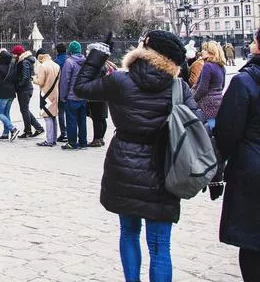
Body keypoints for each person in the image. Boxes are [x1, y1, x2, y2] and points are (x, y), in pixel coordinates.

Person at [75, 30, 203, 282]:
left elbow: (81, 88)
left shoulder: (121, 81)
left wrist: (98, 53)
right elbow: (197, 125)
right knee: (159, 246)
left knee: (129, 233)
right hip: (164, 168)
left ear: (145, 49)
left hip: (125, 164)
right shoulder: (178, 87)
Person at [216, 28, 260, 281]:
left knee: (253, 242)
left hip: (251, 169)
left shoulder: (245, 81)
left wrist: (219, 162)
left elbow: (228, 129)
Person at [59, 41, 88, 150]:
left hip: (71, 96)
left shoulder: (69, 62)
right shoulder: (85, 61)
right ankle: (83, 142)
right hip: (83, 96)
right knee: (82, 120)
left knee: (71, 120)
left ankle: (72, 142)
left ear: (70, 50)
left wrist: (63, 96)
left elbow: (65, 81)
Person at [12, 45, 43, 139]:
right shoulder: (24, 60)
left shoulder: (24, 61)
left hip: (24, 89)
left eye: (15, 54)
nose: (13, 55)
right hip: (26, 89)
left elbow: (25, 77)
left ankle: (28, 131)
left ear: (18, 54)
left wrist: (19, 85)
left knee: (24, 110)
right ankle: (38, 128)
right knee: (25, 110)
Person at [195, 40, 226, 130]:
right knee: (215, 128)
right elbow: (222, 86)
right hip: (219, 102)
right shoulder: (221, 67)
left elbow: (202, 88)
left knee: (208, 130)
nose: (202, 51)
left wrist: (192, 99)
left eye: (204, 49)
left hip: (207, 104)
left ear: (211, 52)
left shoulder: (207, 66)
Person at [34, 48, 60, 147]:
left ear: (40, 56)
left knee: (47, 116)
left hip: (45, 95)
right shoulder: (56, 65)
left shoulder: (43, 66)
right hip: (55, 93)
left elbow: (40, 82)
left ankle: (49, 140)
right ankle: (54, 139)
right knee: (53, 116)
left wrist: (34, 79)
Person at [0, 48, 18, 141]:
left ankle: (13, 129)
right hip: (11, 93)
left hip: (2, 94)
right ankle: (5, 133)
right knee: (6, 113)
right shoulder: (12, 67)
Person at [54, 43, 69, 142]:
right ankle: (70, 132)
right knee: (69, 112)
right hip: (70, 89)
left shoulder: (56, 62)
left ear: (57, 51)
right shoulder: (69, 60)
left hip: (59, 88)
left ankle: (63, 133)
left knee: (61, 111)